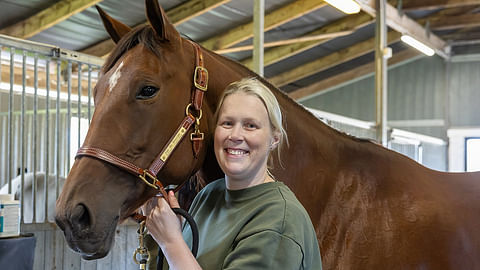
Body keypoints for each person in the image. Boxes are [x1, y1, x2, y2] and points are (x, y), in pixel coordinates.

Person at [143, 77, 322, 269]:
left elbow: (175, 252)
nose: (235, 135)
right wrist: (161, 234)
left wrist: (172, 243)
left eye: (250, 125)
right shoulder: (209, 195)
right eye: (227, 123)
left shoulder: (279, 220)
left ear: (274, 139)